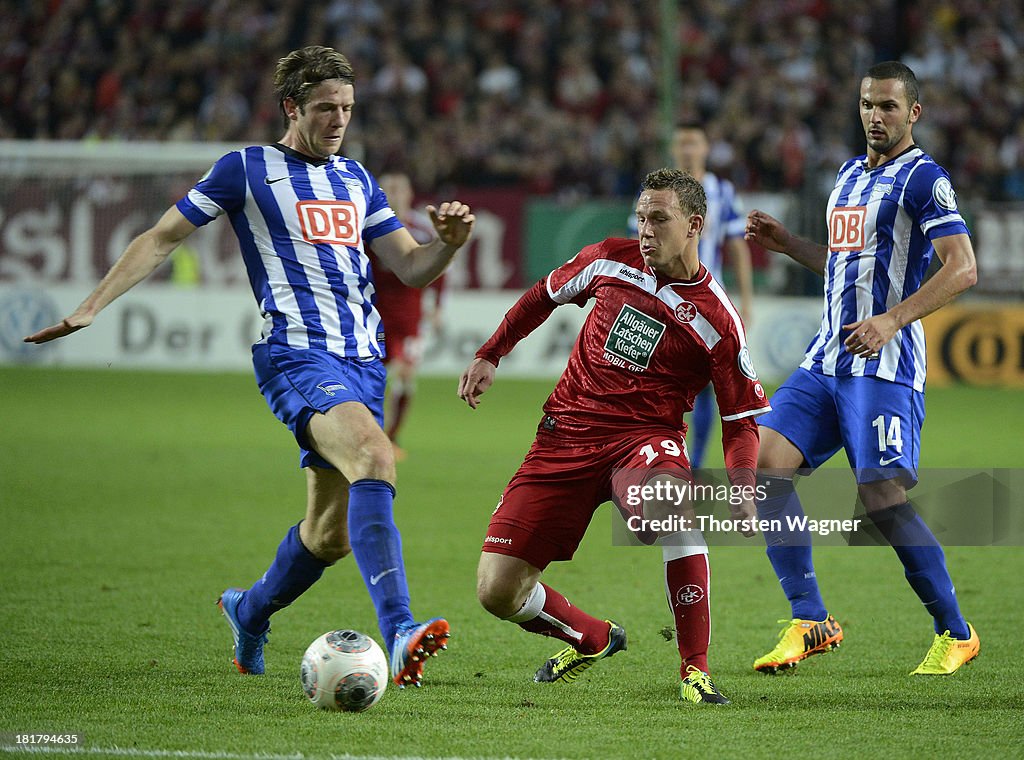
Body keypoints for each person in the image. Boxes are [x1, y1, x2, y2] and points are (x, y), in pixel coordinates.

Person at [24, 45, 475, 689]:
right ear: (292, 106)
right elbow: (162, 236)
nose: (339, 120)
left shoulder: (356, 180)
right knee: (376, 456)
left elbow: (409, 265)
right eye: (325, 108)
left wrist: (448, 247)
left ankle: (249, 610)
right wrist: (92, 305)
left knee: (330, 535)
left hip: (364, 362)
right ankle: (401, 630)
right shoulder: (246, 168)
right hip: (296, 353)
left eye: (347, 108)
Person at [459, 168, 771, 704]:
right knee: (496, 590)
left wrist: (742, 483)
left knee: (670, 508)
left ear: (694, 225)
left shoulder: (718, 319)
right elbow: (542, 296)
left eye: (659, 219)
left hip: (643, 439)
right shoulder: (608, 258)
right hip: (565, 434)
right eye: (641, 217)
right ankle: (590, 637)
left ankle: (694, 668)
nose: (645, 229)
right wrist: (491, 351)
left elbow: (740, 419)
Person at [744, 61, 979, 676]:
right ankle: (809, 620)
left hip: (884, 363)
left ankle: (956, 632)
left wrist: (891, 321)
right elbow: (846, 264)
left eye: (889, 107)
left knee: (880, 499)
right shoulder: (847, 176)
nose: (876, 116)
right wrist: (789, 244)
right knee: (765, 467)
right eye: (868, 105)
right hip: (826, 357)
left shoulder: (924, 180)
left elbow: (963, 268)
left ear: (914, 114)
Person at [629, 123, 754, 470]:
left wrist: (745, 301)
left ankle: (693, 463)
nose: (687, 149)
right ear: (673, 148)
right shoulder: (654, 193)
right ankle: (649, 453)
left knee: (706, 387)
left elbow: (737, 248)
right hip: (658, 301)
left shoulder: (723, 191)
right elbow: (634, 245)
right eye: (681, 142)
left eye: (693, 142)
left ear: (705, 148)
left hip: (702, 303)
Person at [371, 172, 446, 459]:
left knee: (404, 375)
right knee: (371, 378)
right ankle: (370, 434)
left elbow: (440, 271)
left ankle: (391, 437)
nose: (394, 193)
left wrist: (437, 306)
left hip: (408, 319)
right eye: (388, 188)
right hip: (373, 317)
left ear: (409, 193)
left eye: (398, 188)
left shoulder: (423, 231)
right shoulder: (369, 228)